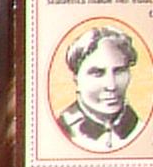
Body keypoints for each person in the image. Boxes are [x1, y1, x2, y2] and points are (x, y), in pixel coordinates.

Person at [58, 21, 144, 151]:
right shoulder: (61, 129)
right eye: (97, 73)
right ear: (76, 78)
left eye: (119, 71)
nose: (111, 85)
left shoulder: (140, 128)